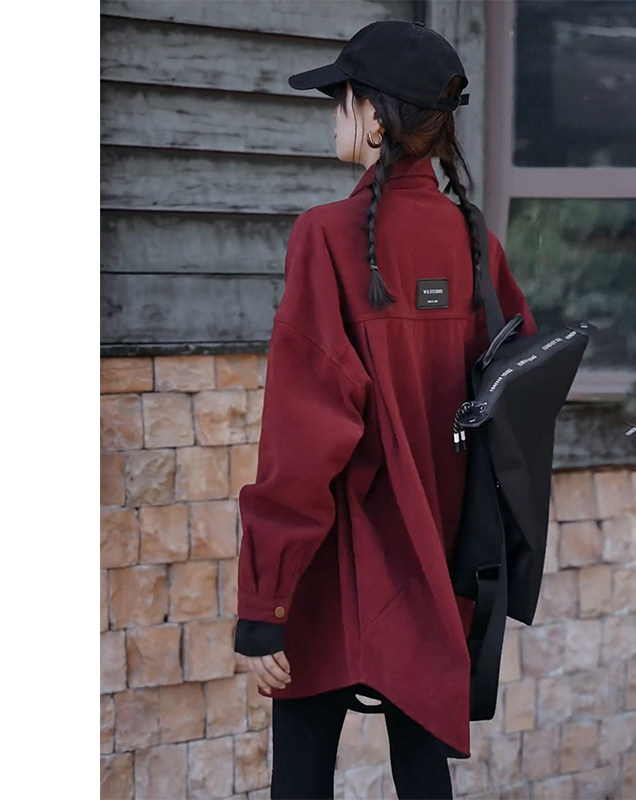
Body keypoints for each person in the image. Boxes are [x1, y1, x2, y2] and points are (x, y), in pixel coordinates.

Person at [232, 19, 537, 800]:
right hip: (438, 569)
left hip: (335, 571)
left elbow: (304, 438)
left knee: (302, 774)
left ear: (374, 117)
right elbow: (517, 406)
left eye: (340, 100)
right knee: (422, 776)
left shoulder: (324, 237)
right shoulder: (475, 244)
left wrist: (265, 602)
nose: (333, 117)